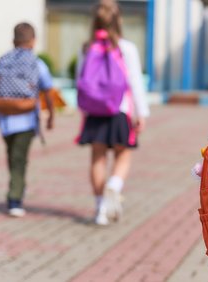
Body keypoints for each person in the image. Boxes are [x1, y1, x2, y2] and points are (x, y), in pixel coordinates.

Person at [76, 0, 150, 226]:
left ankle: (100, 209)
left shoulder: (86, 48)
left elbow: (80, 80)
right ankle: (114, 185)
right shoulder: (126, 48)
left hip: (95, 112)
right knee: (123, 154)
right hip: (120, 111)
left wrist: (84, 110)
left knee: (97, 158)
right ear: (118, 20)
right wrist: (141, 112)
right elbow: (135, 82)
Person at [0, 22, 55, 217]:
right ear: (33, 41)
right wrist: (51, 115)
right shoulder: (37, 63)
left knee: (13, 156)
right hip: (26, 119)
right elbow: (48, 90)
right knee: (19, 159)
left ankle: (17, 188)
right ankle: (15, 199)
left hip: (5, 118)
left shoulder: (3, 60)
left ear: (14, 40)